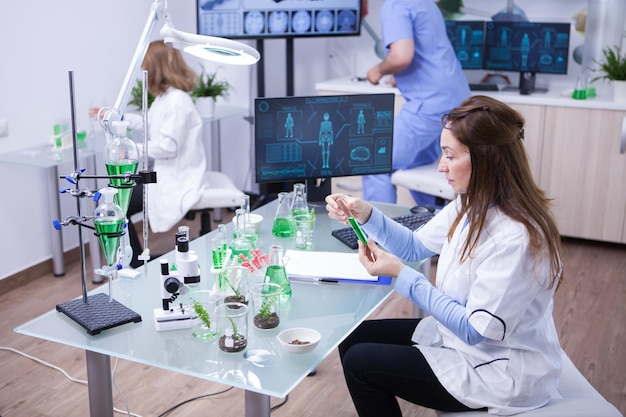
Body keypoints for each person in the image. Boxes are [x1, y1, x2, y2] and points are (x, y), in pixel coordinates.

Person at [325, 95, 564, 416]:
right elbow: (414, 247)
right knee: (352, 337)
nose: (441, 166)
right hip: (462, 341)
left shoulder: (516, 237)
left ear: (487, 159)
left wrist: (402, 275)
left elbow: (476, 330)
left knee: (360, 362)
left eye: (450, 156)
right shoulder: (471, 203)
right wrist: (366, 214)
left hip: (499, 369)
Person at [91, 40, 206, 268]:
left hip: (177, 178)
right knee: (115, 200)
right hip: (164, 173)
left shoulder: (177, 101)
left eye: (146, 66)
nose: (144, 71)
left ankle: (134, 263)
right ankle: (133, 260)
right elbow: (149, 123)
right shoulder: (167, 97)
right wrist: (118, 118)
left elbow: (167, 147)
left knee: (115, 202)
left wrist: (130, 148)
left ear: (156, 68)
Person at [363, 0, 470, 205]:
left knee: (374, 162)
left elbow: (402, 56)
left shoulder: (395, 6)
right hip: (455, 102)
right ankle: (434, 229)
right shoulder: (425, 3)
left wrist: (377, 70)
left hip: (429, 104)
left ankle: (377, 235)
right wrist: (399, 75)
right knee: (419, 167)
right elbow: (428, 50)